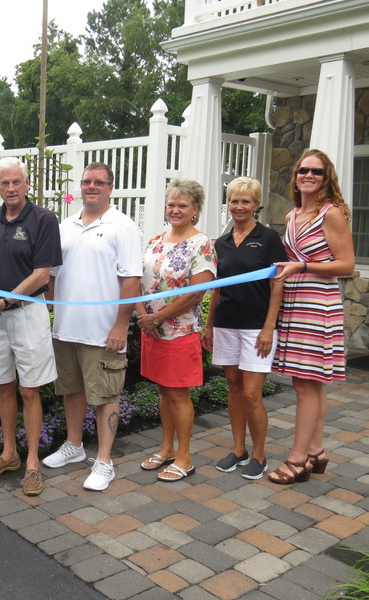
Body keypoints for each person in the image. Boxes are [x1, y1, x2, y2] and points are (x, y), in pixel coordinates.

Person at [41, 162, 142, 491]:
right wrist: (49, 311)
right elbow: (52, 275)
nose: (92, 187)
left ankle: (104, 461)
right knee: (72, 390)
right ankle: (74, 446)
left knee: (106, 396)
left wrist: (121, 326)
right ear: (80, 186)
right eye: (87, 181)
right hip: (66, 328)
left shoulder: (123, 226)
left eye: (99, 182)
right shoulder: (65, 226)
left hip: (103, 332)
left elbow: (131, 280)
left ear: (110, 188)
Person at [0, 157, 62, 496]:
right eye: (5, 183)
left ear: (27, 184)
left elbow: (41, 275)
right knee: (3, 385)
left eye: (16, 182)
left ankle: (32, 463)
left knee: (29, 389)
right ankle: (9, 454)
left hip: (26, 313)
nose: (11, 188)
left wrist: (3, 302)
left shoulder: (44, 219)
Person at [267, 149, 354, 485]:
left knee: (305, 385)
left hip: (317, 305)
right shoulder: (292, 215)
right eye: (304, 170)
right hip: (295, 302)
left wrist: (302, 265)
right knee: (311, 383)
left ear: (326, 177)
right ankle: (316, 451)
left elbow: (346, 264)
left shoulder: (331, 214)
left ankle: (297, 459)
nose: (309, 175)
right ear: (296, 176)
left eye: (316, 171)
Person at [201, 177, 286, 480]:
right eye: (234, 201)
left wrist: (269, 327)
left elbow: (277, 285)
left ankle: (259, 455)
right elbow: (217, 288)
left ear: (256, 205)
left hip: (256, 327)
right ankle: (239, 450)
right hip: (226, 323)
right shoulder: (221, 243)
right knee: (234, 388)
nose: (239, 206)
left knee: (251, 394)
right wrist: (209, 326)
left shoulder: (268, 238)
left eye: (245, 201)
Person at [136, 179, 216, 482]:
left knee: (178, 394)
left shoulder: (201, 244)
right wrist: (144, 317)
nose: (175, 210)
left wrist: (157, 319)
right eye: (171, 204)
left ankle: (185, 457)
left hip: (179, 331)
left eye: (182, 205)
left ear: (195, 209)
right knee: (163, 391)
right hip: (152, 330)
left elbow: (196, 294)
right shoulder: (156, 240)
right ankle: (167, 448)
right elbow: (139, 282)